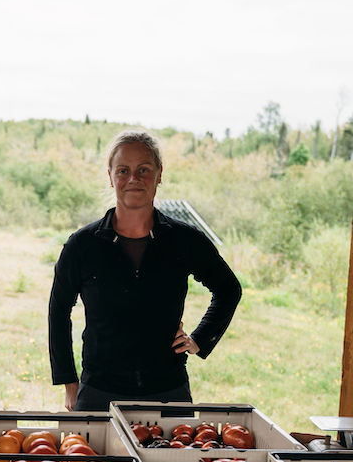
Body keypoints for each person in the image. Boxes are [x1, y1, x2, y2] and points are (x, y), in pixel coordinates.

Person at [48, 129, 242, 411]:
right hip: (99, 393)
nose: (133, 179)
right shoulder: (83, 245)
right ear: (110, 176)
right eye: (123, 170)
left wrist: (200, 339)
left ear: (159, 174)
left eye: (143, 170)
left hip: (168, 390)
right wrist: (69, 383)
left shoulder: (184, 240)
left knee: (171, 457)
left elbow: (228, 289)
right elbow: (58, 311)